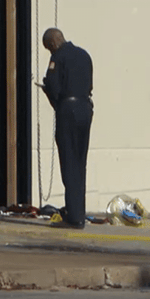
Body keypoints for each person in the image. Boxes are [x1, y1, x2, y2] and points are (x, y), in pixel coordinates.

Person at [41, 28, 93, 229]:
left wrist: (49, 92)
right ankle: (79, 210)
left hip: (68, 110)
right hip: (85, 109)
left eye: (48, 47)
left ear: (53, 43)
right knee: (81, 162)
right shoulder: (84, 55)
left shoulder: (57, 57)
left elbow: (54, 87)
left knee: (69, 162)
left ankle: (74, 216)